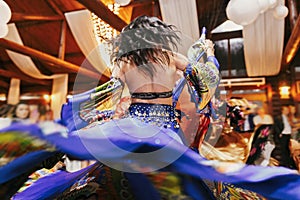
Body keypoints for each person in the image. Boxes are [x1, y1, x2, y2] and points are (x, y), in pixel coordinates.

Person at [3, 16, 300, 200]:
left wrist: (75, 124)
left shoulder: (120, 63)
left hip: (125, 127)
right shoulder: (172, 59)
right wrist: (207, 55)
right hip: (162, 130)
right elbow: (206, 83)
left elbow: (105, 94)